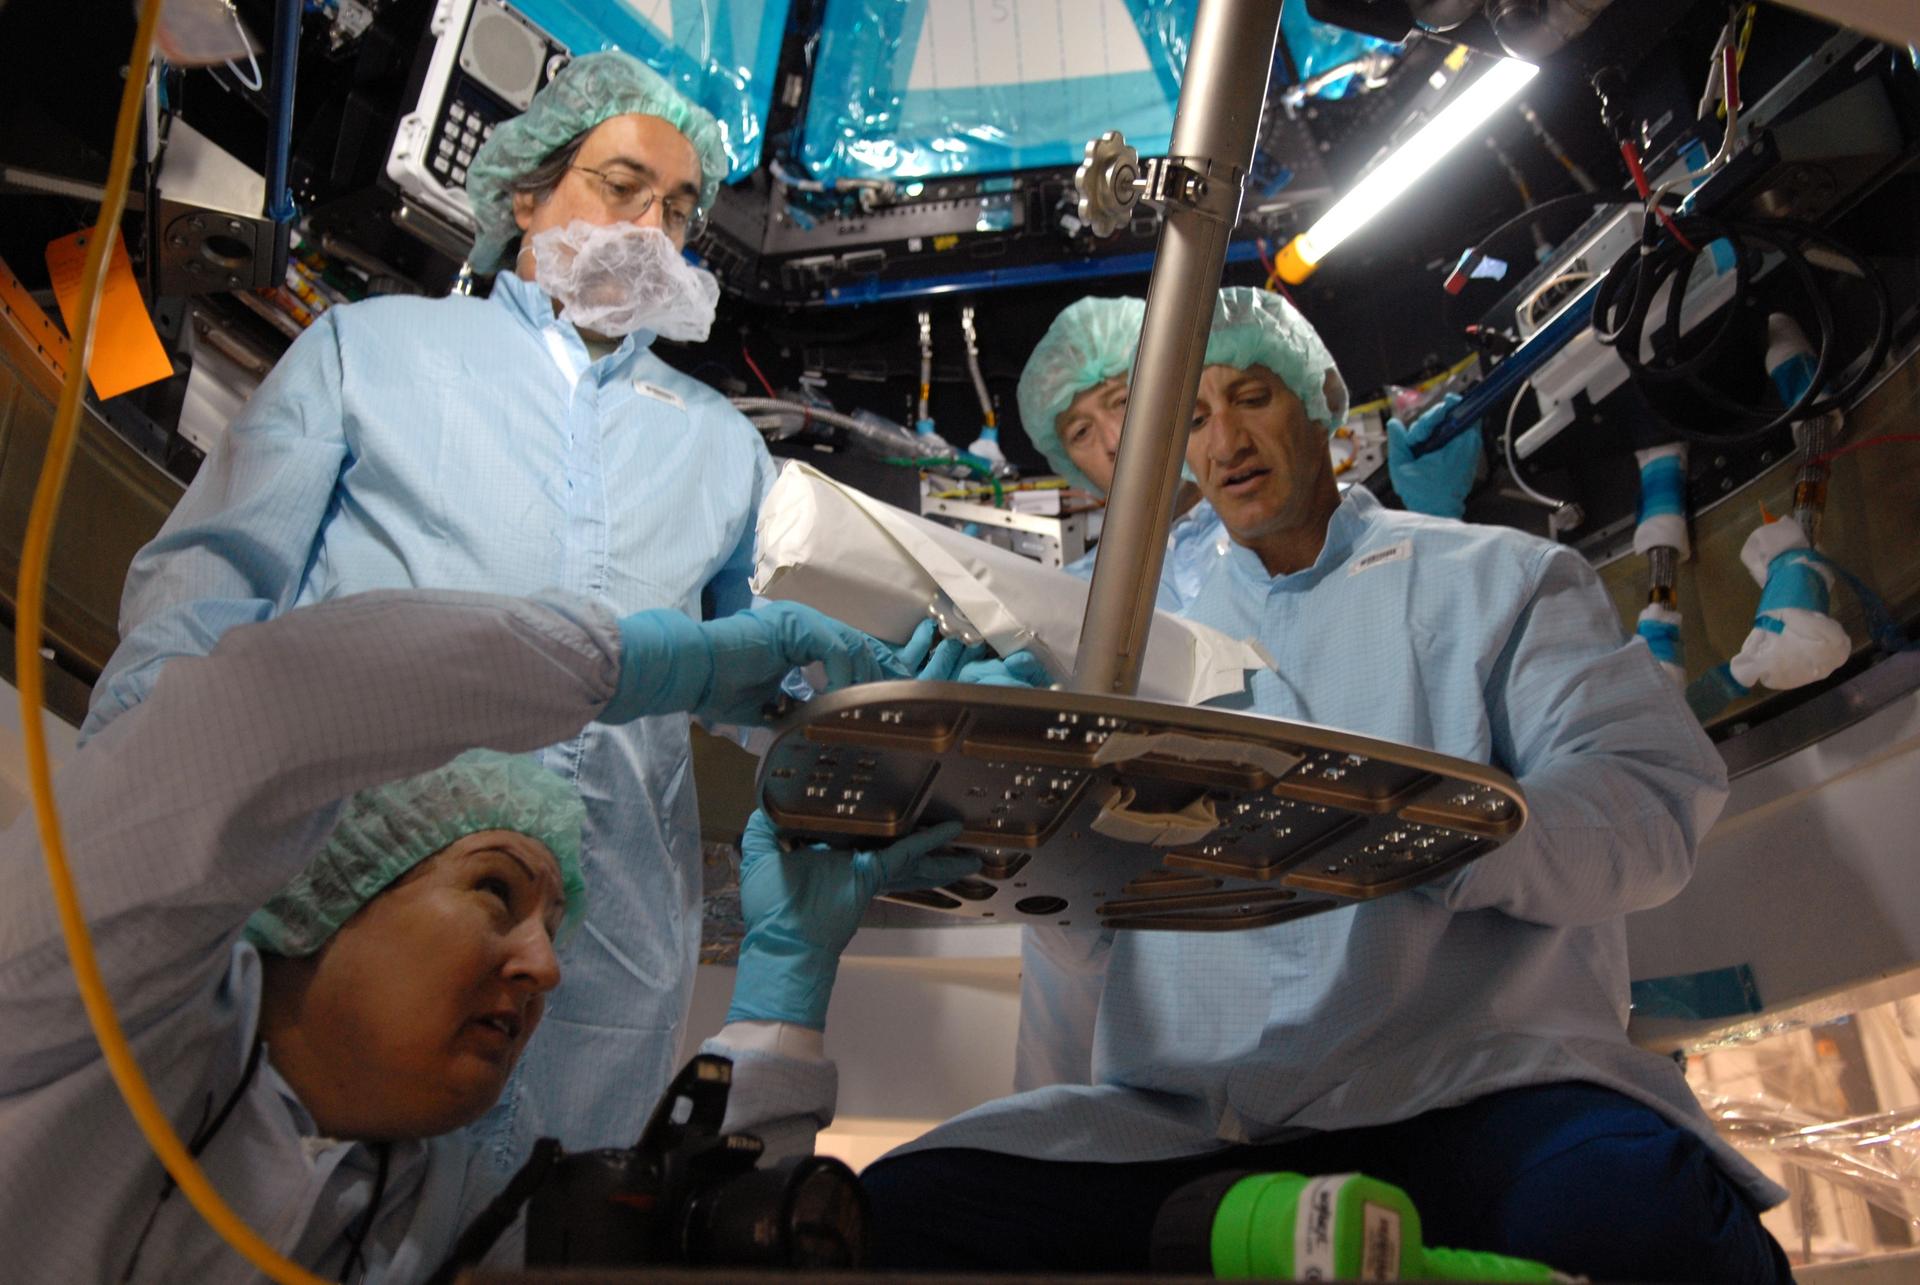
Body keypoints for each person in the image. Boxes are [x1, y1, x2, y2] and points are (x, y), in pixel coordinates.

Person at [844, 287, 1792, 1281]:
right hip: (1196, 1121)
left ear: (1322, 398)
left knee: (1632, 1220)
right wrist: (1024, 850)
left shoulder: (1498, 580)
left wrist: (1439, 836)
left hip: (1470, 1085)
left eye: (1252, 397)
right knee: (904, 1213)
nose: (1226, 442)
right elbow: (1084, 945)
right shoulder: (1130, 645)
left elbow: (1648, 804)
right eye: (1193, 418)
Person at [80, 52, 774, 1172]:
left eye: (681, 208)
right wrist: (128, 826)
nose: (653, 226)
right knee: (273, 1200)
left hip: (601, 957)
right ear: (525, 196)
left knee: (532, 1225)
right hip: (347, 900)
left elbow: (771, 677)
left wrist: (899, 690)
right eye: (622, 185)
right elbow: (206, 593)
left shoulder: (725, 449)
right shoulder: (373, 351)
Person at [0, 587, 950, 1282]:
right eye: (495, 890)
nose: (544, 969)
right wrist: (641, 666)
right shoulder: (93, 1012)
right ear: (321, 892)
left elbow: (700, 1255)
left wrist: (788, 977)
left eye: (553, 930)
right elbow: (267, 709)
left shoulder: (440, 1208)